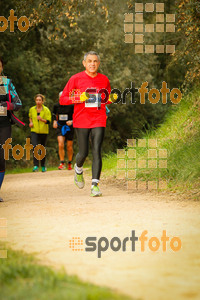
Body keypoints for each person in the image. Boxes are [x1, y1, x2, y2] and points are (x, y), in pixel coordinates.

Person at [60, 51, 115, 197]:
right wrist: (79, 97)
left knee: (97, 149)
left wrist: (111, 98)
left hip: (99, 118)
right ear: (84, 63)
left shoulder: (104, 79)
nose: (92, 64)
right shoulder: (75, 79)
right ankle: (78, 169)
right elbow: (63, 99)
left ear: (99, 63)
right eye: (89, 61)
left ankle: (95, 185)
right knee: (83, 152)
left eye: (95, 61)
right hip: (81, 119)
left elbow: (106, 98)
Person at [0, 57, 23, 202]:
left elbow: (18, 103)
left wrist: (8, 105)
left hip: (3, 125)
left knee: (1, 158)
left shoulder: (5, 83)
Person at [29, 94, 51, 172]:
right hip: (34, 130)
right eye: (37, 100)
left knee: (42, 148)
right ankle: (35, 165)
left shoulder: (46, 110)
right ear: (35, 101)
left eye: (39, 100)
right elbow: (30, 117)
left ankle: (43, 166)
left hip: (43, 131)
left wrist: (42, 119)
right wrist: (31, 122)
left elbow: (48, 121)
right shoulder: (32, 109)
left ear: (42, 101)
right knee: (35, 147)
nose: (38, 101)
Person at [53, 92, 74, 170]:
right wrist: (54, 121)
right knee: (60, 144)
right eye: (61, 97)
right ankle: (62, 163)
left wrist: (72, 121)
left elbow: (76, 114)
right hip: (60, 126)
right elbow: (54, 114)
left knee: (69, 146)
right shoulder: (56, 106)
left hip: (69, 127)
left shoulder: (72, 105)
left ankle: (69, 162)